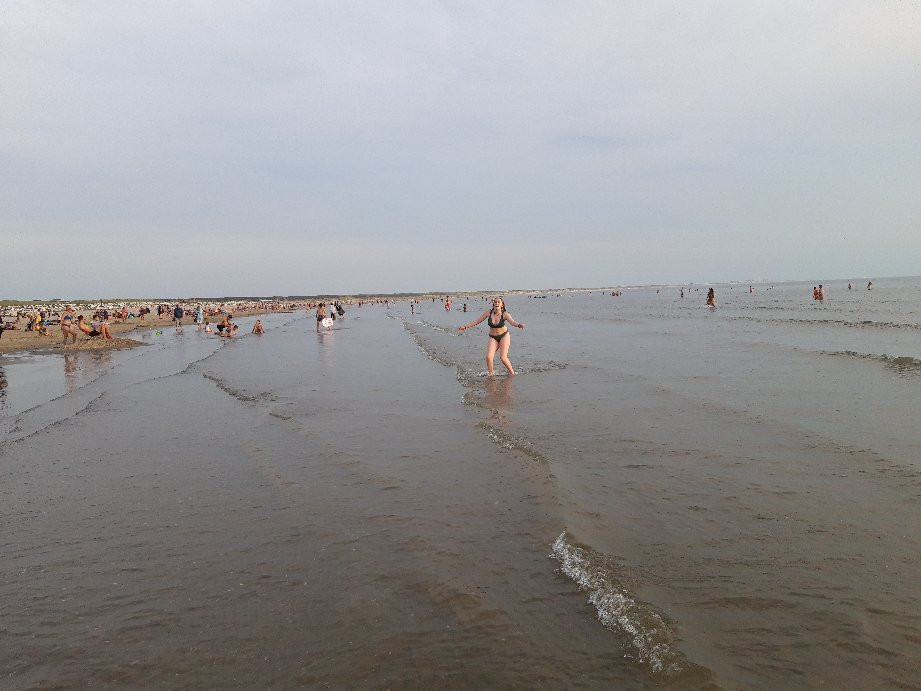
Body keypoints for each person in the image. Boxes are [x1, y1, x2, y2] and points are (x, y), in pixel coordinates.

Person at [458, 296, 525, 376]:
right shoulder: (488, 313)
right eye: (495, 302)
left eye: (498, 302)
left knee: (503, 358)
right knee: (488, 357)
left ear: (502, 305)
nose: (496, 303)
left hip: (504, 336)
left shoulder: (505, 314)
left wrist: (519, 325)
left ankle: (512, 373)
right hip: (493, 337)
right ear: (493, 303)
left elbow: (513, 322)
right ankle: (491, 374)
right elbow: (477, 321)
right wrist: (465, 327)